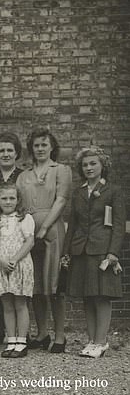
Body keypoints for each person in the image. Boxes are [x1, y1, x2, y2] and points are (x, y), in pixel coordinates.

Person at [63, 146, 125, 358]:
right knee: (87, 297)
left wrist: (113, 253)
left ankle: (101, 342)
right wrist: (66, 251)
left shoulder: (113, 191)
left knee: (102, 297)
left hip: (103, 252)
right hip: (80, 250)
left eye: (93, 163)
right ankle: (91, 341)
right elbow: (72, 224)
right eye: (85, 165)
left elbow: (118, 225)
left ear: (102, 165)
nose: (88, 168)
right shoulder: (78, 192)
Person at [17, 129, 72, 353]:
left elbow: (61, 200)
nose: (40, 149)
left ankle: (60, 336)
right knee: (36, 285)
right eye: (36, 145)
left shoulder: (60, 170)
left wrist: (45, 227)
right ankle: (41, 333)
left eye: (44, 145)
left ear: (51, 147)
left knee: (54, 285)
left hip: (52, 231)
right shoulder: (24, 175)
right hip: (29, 233)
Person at [0, 182, 34, 358]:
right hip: (1, 265)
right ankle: (11, 340)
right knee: (7, 304)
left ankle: (22, 342)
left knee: (20, 303)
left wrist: (14, 259)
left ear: (18, 200)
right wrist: (0, 260)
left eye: (12, 198)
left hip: (19, 264)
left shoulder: (24, 219)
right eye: (4, 198)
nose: (8, 202)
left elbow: (29, 242)